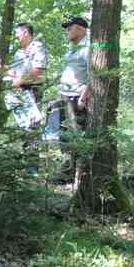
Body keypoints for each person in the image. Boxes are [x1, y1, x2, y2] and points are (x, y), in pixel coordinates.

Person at [8, 23, 48, 173]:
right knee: (22, 126)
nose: (16, 37)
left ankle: (32, 169)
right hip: (18, 92)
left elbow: (38, 70)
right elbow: (14, 72)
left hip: (33, 90)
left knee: (32, 127)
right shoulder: (18, 53)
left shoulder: (37, 48)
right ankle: (25, 163)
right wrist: (6, 72)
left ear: (25, 33)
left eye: (17, 33)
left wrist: (21, 80)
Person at [58, 16, 89, 182]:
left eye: (70, 28)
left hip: (76, 97)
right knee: (64, 134)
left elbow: (94, 74)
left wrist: (84, 96)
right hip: (65, 96)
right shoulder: (74, 48)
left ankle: (74, 174)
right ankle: (67, 171)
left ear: (81, 29)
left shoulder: (89, 47)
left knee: (76, 135)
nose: (67, 31)